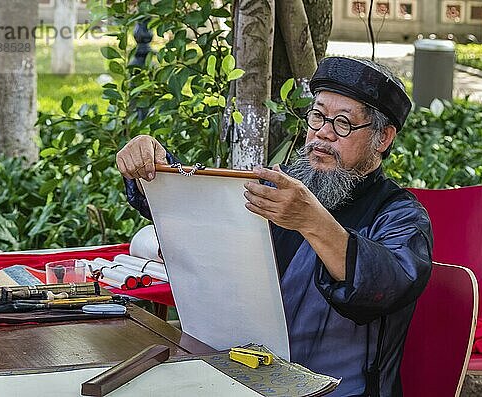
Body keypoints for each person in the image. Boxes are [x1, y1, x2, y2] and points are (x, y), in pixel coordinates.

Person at [116, 56, 433, 397]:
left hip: (338, 391)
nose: (323, 133)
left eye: (343, 123)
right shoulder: (283, 186)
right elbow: (208, 214)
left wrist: (313, 220)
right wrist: (154, 168)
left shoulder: (399, 214)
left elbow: (383, 285)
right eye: (318, 116)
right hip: (241, 376)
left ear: (383, 138)